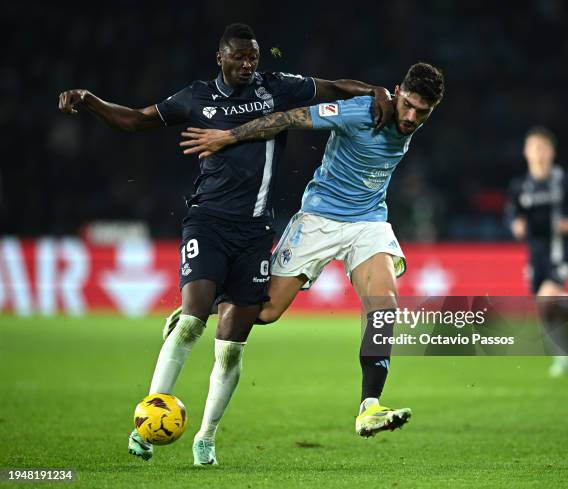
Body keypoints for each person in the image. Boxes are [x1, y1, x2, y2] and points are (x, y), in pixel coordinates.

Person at [58, 23, 395, 465]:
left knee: (232, 345)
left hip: (255, 231)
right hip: (207, 222)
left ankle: (206, 437)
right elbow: (138, 120)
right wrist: (90, 101)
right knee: (192, 320)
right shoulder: (196, 97)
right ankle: (148, 418)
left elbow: (333, 86)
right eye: (238, 56)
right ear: (221, 57)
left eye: (253, 56)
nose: (247, 64)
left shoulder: (277, 88)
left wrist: (376, 92)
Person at [179, 62, 445, 437]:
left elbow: (380, 94)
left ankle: (369, 406)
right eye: (409, 105)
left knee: (384, 310)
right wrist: (230, 137)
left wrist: (380, 92)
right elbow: (289, 118)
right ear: (399, 92)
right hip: (319, 219)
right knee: (265, 312)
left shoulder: (395, 109)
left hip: (368, 222)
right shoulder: (360, 112)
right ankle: (201, 304)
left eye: (423, 112)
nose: (412, 116)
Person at [506, 127, 568, 377]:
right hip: (536, 255)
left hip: (560, 251)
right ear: (526, 152)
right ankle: (563, 356)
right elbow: (512, 214)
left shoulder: (566, 180)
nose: (539, 153)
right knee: (544, 307)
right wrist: (516, 223)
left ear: (552, 151)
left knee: (547, 296)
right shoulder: (521, 186)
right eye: (534, 148)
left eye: (543, 148)